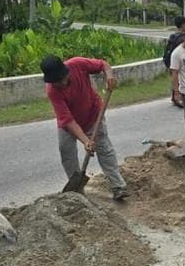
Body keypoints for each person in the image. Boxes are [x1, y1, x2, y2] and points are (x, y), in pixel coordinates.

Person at [40, 55, 129, 200]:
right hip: (69, 124)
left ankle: (118, 186)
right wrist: (85, 141)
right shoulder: (52, 91)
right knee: (66, 150)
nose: (62, 83)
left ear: (66, 70)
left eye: (62, 78)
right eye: (57, 82)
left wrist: (110, 76)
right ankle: (78, 192)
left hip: (93, 114)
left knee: (104, 148)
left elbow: (103, 65)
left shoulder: (78, 64)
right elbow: (67, 120)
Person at [164, 16, 185, 108]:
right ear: (183, 25)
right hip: (179, 62)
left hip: (170, 61)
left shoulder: (173, 36)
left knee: (175, 78)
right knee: (180, 79)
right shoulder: (182, 37)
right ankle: (178, 98)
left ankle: (174, 97)